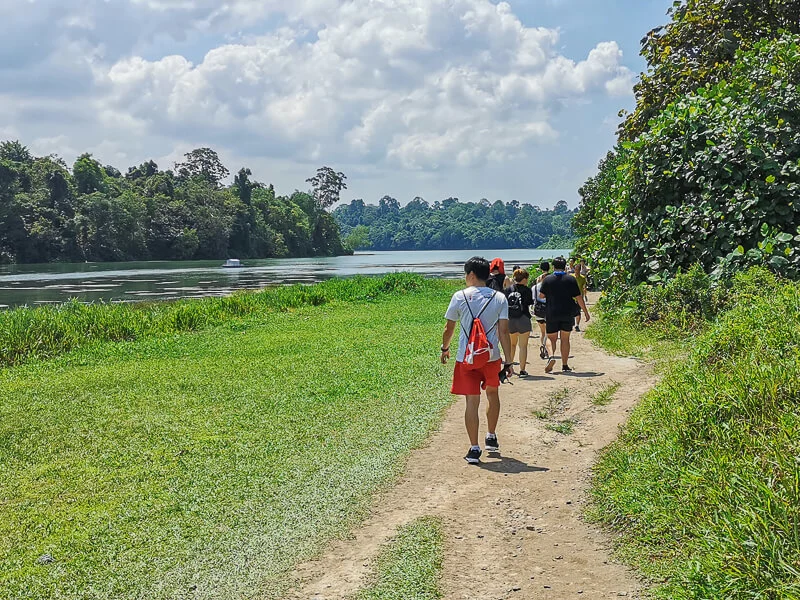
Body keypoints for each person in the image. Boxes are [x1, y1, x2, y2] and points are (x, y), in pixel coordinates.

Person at [441, 257, 513, 464]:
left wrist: (445, 348)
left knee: (471, 401)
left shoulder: (459, 297)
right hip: (491, 357)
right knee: (492, 393)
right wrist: (508, 361)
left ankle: (474, 448)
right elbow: (504, 332)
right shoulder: (500, 298)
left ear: (471, 274)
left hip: (467, 357)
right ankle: (491, 436)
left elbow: (449, 329)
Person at [539, 256, 590, 373]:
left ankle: (551, 356)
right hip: (567, 313)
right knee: (565, 339)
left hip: (552, 312)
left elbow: (541, 296)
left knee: (551, 338)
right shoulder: (570, 279)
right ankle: (565, 365)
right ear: (564, 266)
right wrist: (586, 312)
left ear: (553, 266)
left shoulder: (548, 280)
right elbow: (579, 298)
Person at [504, 268, 534, 377]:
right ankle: (522, 370)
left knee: (512, 345)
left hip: (510, 319)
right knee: (523, 346)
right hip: (523, 318)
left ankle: (510, 368)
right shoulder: (527, 290)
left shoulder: (508, 290)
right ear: (525, 279)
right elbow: (530, 303)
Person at [532, 261, 551, 359]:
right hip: (549, 310)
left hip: (538, 310)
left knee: (542, 332)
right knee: (548, 332)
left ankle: (543, 347)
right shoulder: (551, 283)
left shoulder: (535, 286)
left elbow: (534, 298)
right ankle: (547, 350)